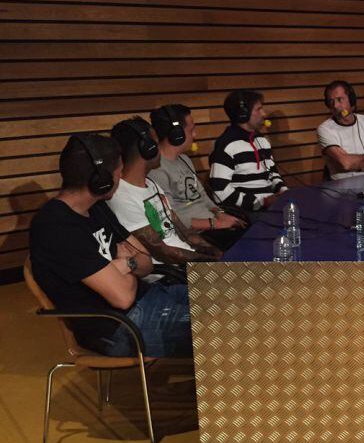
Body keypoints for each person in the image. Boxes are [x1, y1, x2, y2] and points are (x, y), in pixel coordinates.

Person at [29, 133, 192, 358]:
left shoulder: (96, 207)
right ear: (101, 179)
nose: (121, 178)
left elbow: (145, 263)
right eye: (119, 172)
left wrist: (122, 265)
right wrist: (128, 263)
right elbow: (122, 297)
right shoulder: (56, 227)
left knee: (239, 297)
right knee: (234, 325)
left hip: (152, 297)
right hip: (120, 328)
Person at [108, 117, 221, 264]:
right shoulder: (121, 196)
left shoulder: (151, 184)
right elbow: (164, 252)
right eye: (155, 143)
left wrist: (218, 254)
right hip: (171, 275)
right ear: (147, 149)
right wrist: (212, 264)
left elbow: (186, 235)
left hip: (190, 265)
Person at [148, 104, 247, 251]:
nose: (195, 135)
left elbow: (202, 196)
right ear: (177, 134)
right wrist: (215, 224)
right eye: (192, 129)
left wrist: (220, 214)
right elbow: (172, 218)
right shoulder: (156, 170)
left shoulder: (185, 160)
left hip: (212, 226)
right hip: (194, 236)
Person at [209, 90, 287, 213]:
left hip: (269, 208)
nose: (264, 113)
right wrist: (262, 202)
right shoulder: (226, 145)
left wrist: (283, 191)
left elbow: (272, 174)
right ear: (243, 114)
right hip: (247, 213)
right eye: (259, 109)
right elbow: (220, 192)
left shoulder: (262, 140)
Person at [318, 80, 364, 179]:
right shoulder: (325, 129)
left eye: (340, 99)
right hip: (343, 188)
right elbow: (346, 164)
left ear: (351, 100)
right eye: (331, 101)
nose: (335, 106)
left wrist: (363, 168)